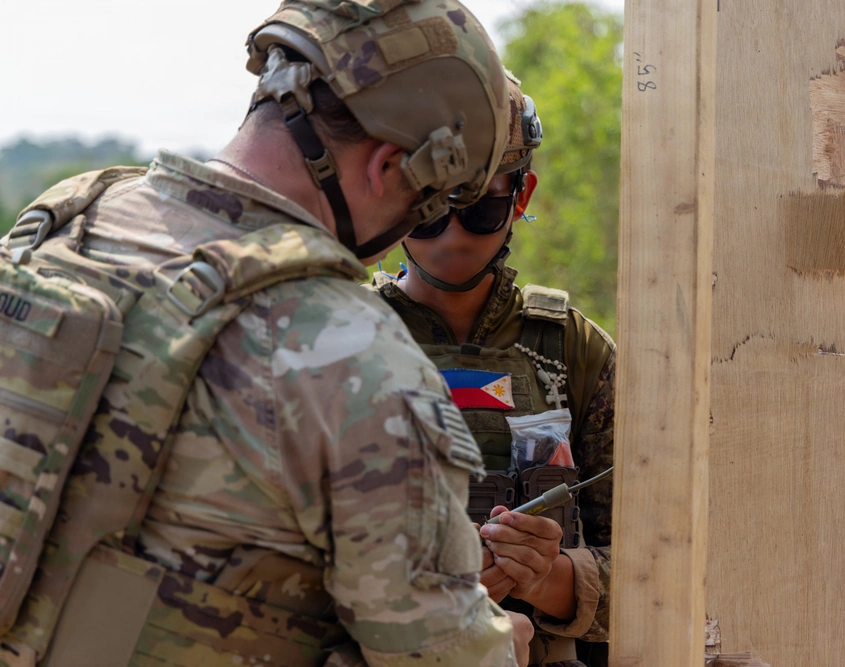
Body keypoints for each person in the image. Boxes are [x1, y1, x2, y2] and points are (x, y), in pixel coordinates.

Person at [0, 2, 535, 665]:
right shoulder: (353, 354)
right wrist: (496, 645)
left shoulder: (67, 221)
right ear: (388, 167)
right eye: (424, 208)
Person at [372, 75, 614, 667]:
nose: (452, 237)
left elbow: (661, 569)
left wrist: (549, 579)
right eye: (429, 213)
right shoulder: (340, 343)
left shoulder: (575, 350)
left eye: (479, 209)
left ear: (521, 196)